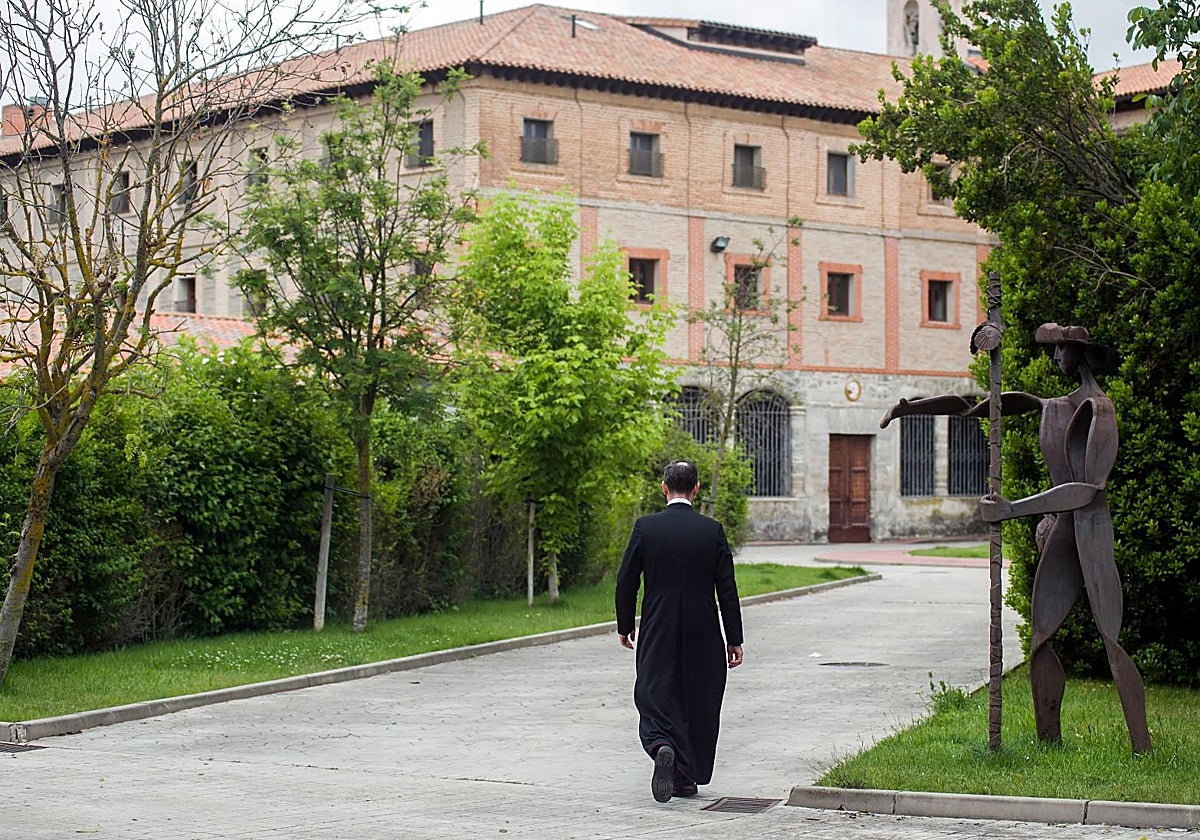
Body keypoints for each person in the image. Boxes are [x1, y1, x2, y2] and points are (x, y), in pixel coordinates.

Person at [880, 323, 1151, 754]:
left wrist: (1013, 509)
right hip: (1064, 528)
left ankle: (1142, 745)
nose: (1054, 358)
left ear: (1078, 352)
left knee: (1110, 637)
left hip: (1092, 529)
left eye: (1059, 349)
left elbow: (1090, 489)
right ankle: (1049, 743)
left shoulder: (1101, 410)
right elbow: (978, 407)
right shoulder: (1053, 407)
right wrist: (911, 409)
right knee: (1042, 637)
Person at [615, 460, 744, 803]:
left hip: (658, 624)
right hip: (703, 626)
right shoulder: (712, 530)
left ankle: (661, 745)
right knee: (700, 696)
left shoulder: (646, 528)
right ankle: (685, 777)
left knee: (653, 691)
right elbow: (727, 590)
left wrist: (625, 625)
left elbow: (626, 582)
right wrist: (735, 639)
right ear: (697, 489)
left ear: (663, 487)